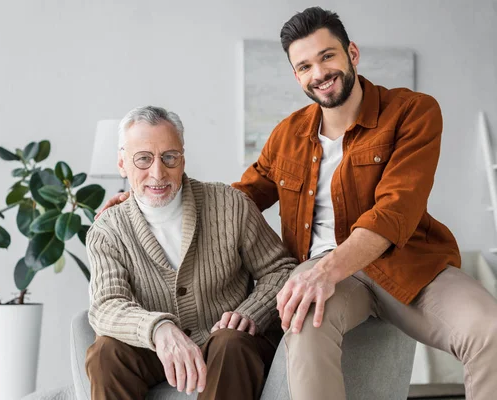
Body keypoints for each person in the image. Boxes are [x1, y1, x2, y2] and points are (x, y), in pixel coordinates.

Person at [231, 6, 497, 400]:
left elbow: (395, 210)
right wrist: (146, 201)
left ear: (351, 53)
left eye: (327, 56)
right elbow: (240, 199)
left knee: (489, 329)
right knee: (305, 323)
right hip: (324, 269)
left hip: (405, 262)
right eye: (304, 66)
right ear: (296, 75)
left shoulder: (412, 112)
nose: (318, 73)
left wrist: (325, 271)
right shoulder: (286, 135)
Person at [84, 105, 296, 400]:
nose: (158, 173)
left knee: (231, 343)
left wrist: (251, 312)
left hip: (229, 347)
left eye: (169, 157)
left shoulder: (230, 204)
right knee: (105, 352)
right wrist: (158, 328)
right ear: (122, 163)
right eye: (143, 159)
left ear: (182, 158)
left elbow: (281, 270)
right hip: (156, 351)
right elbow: (106, 304)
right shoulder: (108, 229)